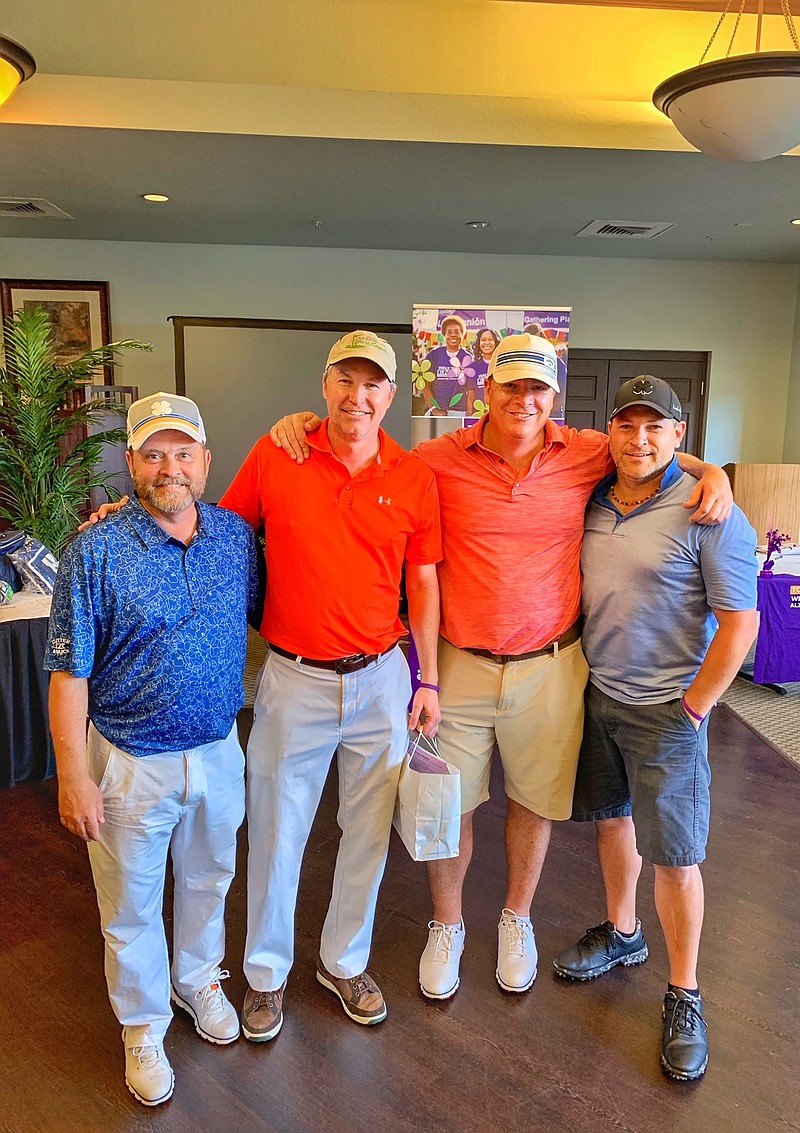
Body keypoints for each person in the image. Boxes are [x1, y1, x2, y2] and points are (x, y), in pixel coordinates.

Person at [272, 335, 732, 1004]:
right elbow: (367, 447)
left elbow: (650, 445)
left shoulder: (584, 451)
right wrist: (306, 426)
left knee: (533, 799)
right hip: (460, 662)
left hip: (550, 664)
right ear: (486, 390)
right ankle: (448, 923)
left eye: (538, 389)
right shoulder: (437, 458)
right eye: (512, 386)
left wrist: (710, 471)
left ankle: (516, 917)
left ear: (555, 397)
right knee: (448, 802)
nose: (525, 399)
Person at [220, 330, 442, 1039]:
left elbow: (423, 581)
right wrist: (130, 517)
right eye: (345, 380)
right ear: (325, 387)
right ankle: (263, 975)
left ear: (389, 395)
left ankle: (343, 961)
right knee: (278, 832)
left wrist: (427, 676)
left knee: (367, 832)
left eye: (373, 383)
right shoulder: (276, 453)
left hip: (381, 677)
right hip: (292, 680)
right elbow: (221, 532)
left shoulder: (412, 476)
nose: (358, 395)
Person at [46, 393, 259, 1107]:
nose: (170, 466)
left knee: (209, 878)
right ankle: (142, 1023)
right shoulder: (94, 550)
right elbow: (69, 672)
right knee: (131, 904)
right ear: (133, 462)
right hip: (130, 760)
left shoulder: (235, 537)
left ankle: (197, 977)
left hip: (220, 750)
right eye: (154, 453)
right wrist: (72, 774)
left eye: (183, 452)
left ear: (205, 462)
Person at [552, 375, 758, 1082]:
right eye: (627, 426)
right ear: (609, 431)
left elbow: (741, 624)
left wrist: (696, 706)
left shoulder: (712, 513)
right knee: (613, 823)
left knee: (674, 856)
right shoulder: (596, 494)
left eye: (655, 428)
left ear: (678, 434)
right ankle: (624, 933)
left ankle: (685, 991)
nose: (639, 440)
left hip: (670, 710)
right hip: (600, 694)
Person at [424, 314, 474, 415]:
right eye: (449, 332)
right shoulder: (434, 355)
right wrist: (434, 409)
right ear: (444, 334)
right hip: (435, 410)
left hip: (459, 411)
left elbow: (471, 390)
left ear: (462, 334)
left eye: (457, 332)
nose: (453, 335)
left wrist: (469, 412)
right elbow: (425, 385)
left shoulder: (468, 357)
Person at [469, 327, 500, 415]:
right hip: (478, 414)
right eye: (483, 340)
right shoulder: (472, 367)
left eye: (490, 339)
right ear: (479, 343)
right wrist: (469, 413)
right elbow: (470, 393)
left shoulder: (501, 365)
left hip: (498, 413)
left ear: (496, 342)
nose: (486, 343)